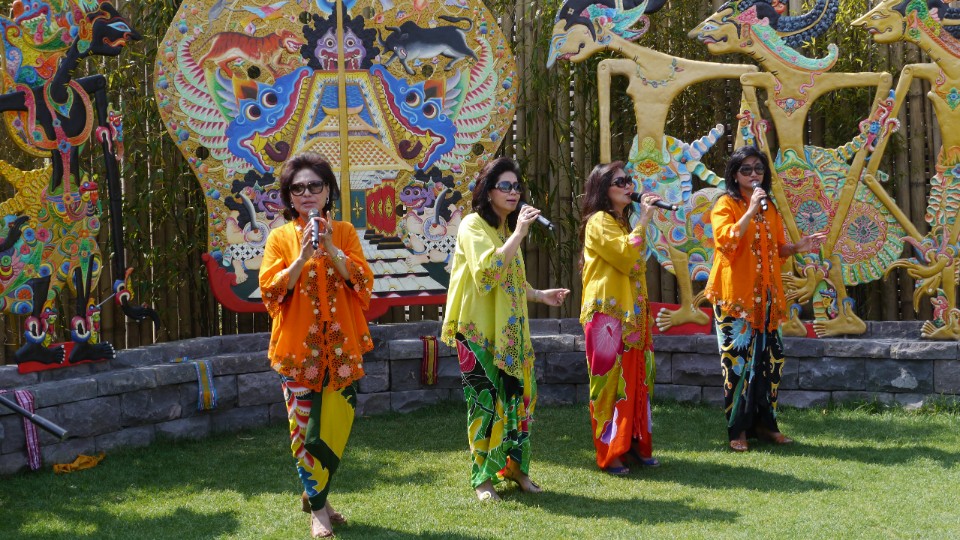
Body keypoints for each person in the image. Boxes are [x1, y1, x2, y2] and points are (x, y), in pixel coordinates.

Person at [259, 152, 374, 538]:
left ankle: (315, 494)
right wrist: (302, 258)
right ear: (289, 197)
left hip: (341, 352)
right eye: (298, 188)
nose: (307, 193)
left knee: (335, 428)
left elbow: (362, 282)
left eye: (315, 185)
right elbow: (271, 291)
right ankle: (320, 510)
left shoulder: (344, 232)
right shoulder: (280, 238)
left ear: (328, 192)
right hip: (297, 354)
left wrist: (330, 247)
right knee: (304, 430)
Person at [441, 156, 570, 501]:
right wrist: (519, 233)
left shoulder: (503, 230)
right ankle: (483, 480)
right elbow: (488, 274)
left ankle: (516, 469)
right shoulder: (472, 225)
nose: (514, 192)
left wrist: (539, 295)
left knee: (520, 401)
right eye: (506, 186)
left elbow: (511, 279)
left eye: (517, 187)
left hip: (511, 333)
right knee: (485, 406)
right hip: (479, 333)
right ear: (488, 191)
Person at [705, 146, 825, 452]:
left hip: (768, 300)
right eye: (746, 169)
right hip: (736, 298)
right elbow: (726, 242)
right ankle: (738, 430)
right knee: (737, 365)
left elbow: (777, 249)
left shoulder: (769, 206)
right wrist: (748, 211)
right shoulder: (725, 204)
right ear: (734, 175)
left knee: (770, 364)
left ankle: (766, 426)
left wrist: (797, 248)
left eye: (758, 168)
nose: (753, 174)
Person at [578, 161, 663, 475]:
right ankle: (610, 451)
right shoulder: (598, 221)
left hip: (631, 315)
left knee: (638, 379)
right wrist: (645, 218)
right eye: (621, 182)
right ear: (603, 189)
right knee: (608, 384)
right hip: (607, 316)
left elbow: (634, 262)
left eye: (629, 181)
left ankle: (633, 443)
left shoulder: (621, 223)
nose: (629, 186)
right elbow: (627, 257)